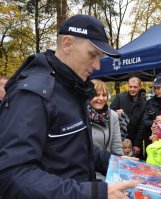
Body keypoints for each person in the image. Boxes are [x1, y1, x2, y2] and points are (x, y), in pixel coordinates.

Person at [0, 15, 137, 199]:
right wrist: (92, 193)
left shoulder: (71, 88)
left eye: (100, 57)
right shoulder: (33, 94)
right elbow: (12, 176)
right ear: (67, 44)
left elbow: (74, 148)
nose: (97, 65)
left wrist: (116, 162)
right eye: (92, 55)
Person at [110, 76, 146, 159]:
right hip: (119, 140)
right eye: (130, 87)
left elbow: (142, 125)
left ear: (140, 87)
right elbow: (110, 112)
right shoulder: (120, 97)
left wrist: (137, 144)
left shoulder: (144, 104)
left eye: (135, 87)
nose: (132, 89)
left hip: (135, 140)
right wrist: (116, 112)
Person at [88, 79, 124, 155]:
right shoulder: (81, 114)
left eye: (104, 95)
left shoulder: (113, 116)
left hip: (106, 163)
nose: (101, 98)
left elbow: (116, 145)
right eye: (97, 95)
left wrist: (120, 162)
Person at [143, 75, 161, 152]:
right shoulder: (150, 102)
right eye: (155, 88)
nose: (156, 91)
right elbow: (145, 120)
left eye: (158, 88)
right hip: (152, 140)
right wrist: (154, 123)